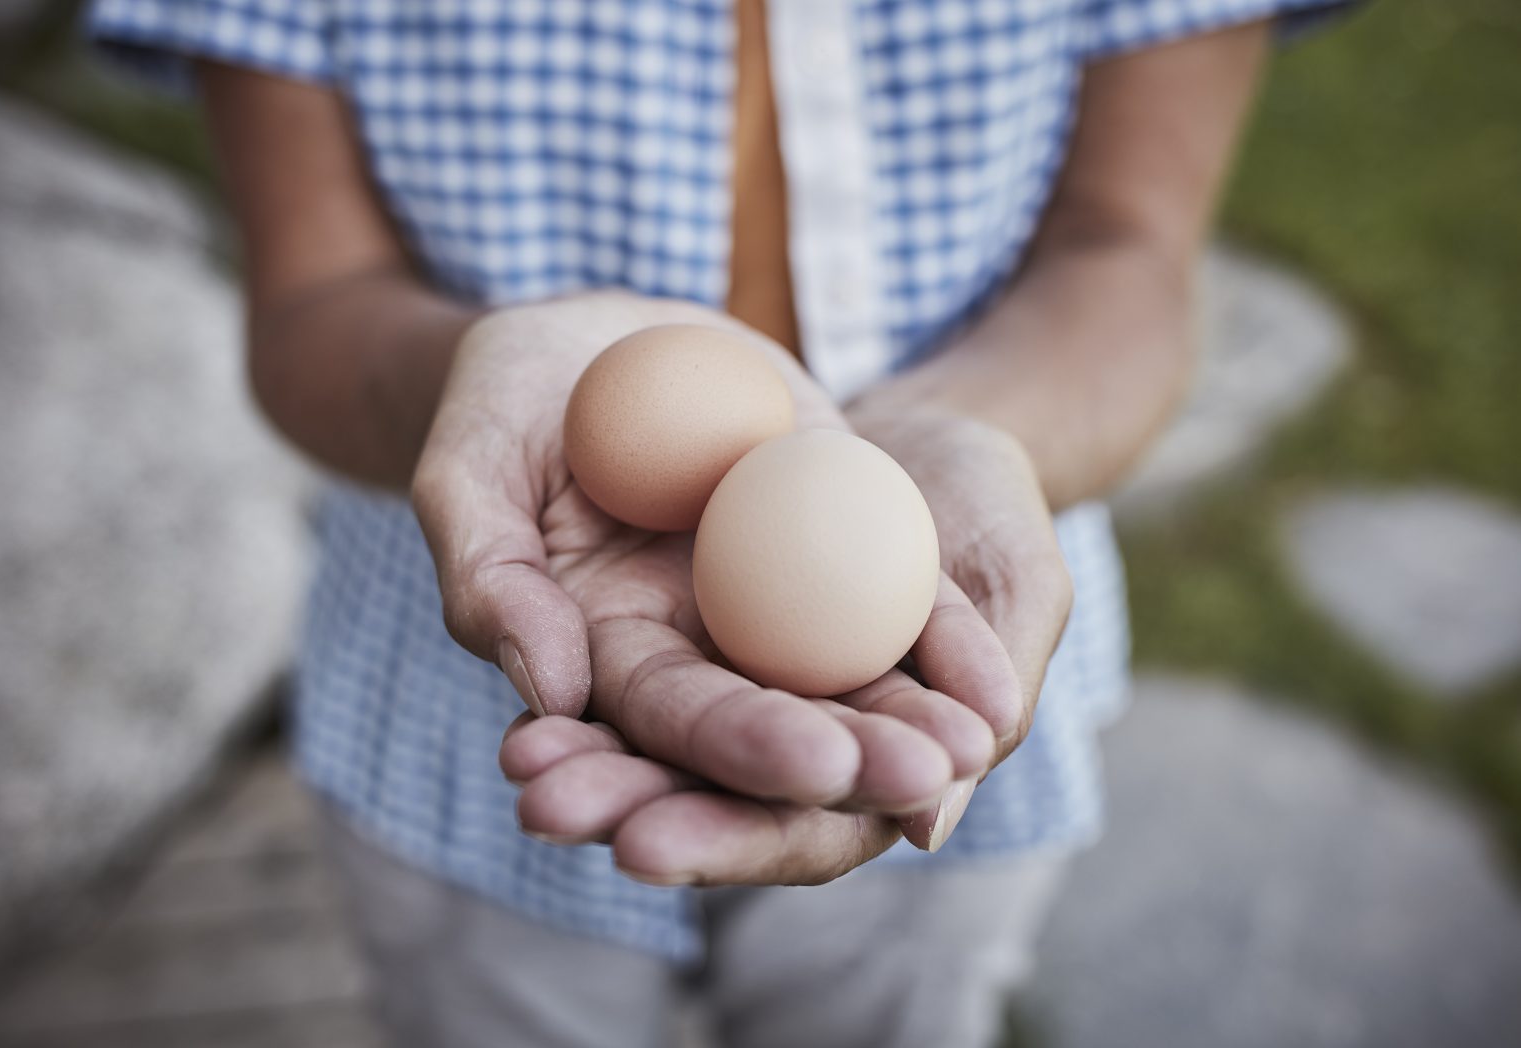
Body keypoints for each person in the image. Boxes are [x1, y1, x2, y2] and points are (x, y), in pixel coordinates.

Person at [91, 1, 1350, 1045]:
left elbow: (1125, 251)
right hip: (448, 703)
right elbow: (312, 298)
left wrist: (968, 433)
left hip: (944, 642)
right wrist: (486, 379)